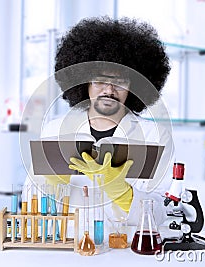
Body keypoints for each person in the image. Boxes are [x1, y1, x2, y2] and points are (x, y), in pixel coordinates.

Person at [40, 16, 173, 225]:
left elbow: (162, 214)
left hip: (126, 249)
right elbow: (29, 203)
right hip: (69, 245)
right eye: (101, 80)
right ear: (85, 83)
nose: (109, 90)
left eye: (120, 82)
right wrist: (49, 186)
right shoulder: (54, 131)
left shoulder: (155, 137)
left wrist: (123, 193)